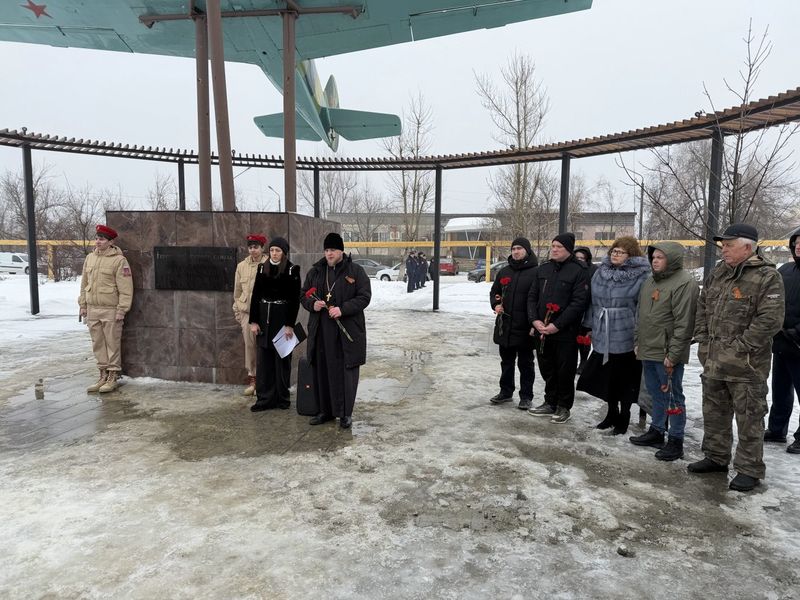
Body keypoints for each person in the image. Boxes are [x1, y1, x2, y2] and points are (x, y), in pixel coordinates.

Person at [689, 223, 784, 492]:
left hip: (747, 365)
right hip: (714, 360)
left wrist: (742, 346)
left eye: (729, 245)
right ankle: (716, 457)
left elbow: (770, 319)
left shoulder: (766, 276)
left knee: (749, 417)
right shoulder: (719, 272)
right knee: (714, 413)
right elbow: (703, 305)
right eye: (723, 245)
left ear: (747, 247)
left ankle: (749, 469)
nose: (724, 249)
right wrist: (704, 340)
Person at [630, 242, 699, 460]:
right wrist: (637, 340)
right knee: (655, 393)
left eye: (661, 257)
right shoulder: (650, 281)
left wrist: (674, 354)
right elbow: (641, 315)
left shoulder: (684, 283)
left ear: (673, 259)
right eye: (653, 257)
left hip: (668, 351)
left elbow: (684, 323)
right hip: (648, 348)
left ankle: (676, 440)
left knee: (672, 397)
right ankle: (657, 430)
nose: (655, 261)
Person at [577, 236, 650, 435]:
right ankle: (611, 413)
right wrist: (590, 325)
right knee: (607, 375)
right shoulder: (601, 272)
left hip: (626, 331)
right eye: (614, 251)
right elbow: (592, 301)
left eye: (620, 252)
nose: (615, 255)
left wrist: (639, 332)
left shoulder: (642, 275)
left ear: (631, 255)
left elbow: (642, 306)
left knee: (625, 377)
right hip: (603, 329)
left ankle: (624, 415)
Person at [300, 232, 371, 429]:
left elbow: (364, 297)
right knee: (322, 370)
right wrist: (311, 305)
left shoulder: (355, 271)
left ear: (341, 251)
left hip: (346, 332)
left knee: (344, 374)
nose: (329, 254)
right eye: (327, 250)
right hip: (321, 330)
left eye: (333, 250)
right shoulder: (316, 271)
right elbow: (303, 294)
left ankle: (345, 414)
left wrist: (343, 309)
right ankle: (325, 411)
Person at [526, 233, 590, 424]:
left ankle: (563, 406)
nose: (554, 249)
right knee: (547, 367)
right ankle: (550, 401)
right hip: (542, 329)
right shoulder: (543, 269)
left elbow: (579, 303)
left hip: (564, 332)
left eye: (559, 247)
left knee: (564, 370)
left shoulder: (578, 271)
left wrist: (557, 325)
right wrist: (534, 320)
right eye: (553, 246)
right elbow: (532, 297)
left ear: (568, 249)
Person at [247, 237, 301, 412]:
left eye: (278, 250)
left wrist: (289, 325)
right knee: (264, 361)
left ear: (284, 252)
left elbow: (294, 299)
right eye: (272, 250)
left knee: (282, 360)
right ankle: (264, 399)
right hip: (264, 320)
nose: (274, 253)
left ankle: (281, 398)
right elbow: (256, 295)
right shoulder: (263, 268)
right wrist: (254, 321)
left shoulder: (292, 269)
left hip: (281, 321)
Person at [78, 224, 134, 393]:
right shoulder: (90, 258)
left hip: (110, 308)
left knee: (112, 343)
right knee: (98, 343)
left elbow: (126, 288)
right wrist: (83, 305)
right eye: (96, 238)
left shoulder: (119, 260)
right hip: (93, 308)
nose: (98, 242)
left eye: (102, 239)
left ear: (111, 241)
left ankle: (113, 375)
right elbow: (84, 283)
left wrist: (121, 310)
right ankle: (102, 374)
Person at [489, 237, 539, 410]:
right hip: (506, 326)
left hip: (525, 326)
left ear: (527, 250)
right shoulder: (505, 271)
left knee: (526, 363)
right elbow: (494, 292)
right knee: (506, 361)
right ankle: (505, 391)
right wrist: (496, 304)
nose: (516, 251)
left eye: (519, 248)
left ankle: (526, 396)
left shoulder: (536, 272)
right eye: (513, 248)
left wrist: (535, 323)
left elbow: (539, 299)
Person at [764, 226, 800, 454]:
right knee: (780, 389)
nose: (798, 247)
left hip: (798, 341)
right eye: (796, 243)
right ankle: (777, 429)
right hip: (781, 342)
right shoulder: (785, 269)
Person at [233, 234, 268, 396]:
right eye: (251, 247)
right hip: (246, 313)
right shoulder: (241, 266)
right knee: (250, 347)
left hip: (264, 312)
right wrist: (238, 312)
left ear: (262, 248)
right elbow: (237, 292)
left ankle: (265, 381)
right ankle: (253, 380)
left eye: (256, 247)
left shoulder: (269, 264)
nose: (253, 250)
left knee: (265, 346)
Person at [573, 246, 597, 374]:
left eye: (582, 258)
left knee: (584, 339)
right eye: (577, 258)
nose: (579, 260)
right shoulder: (570, 269)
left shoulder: (593, 270)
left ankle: (583, 362)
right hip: (573, 310)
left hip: (588, 309)